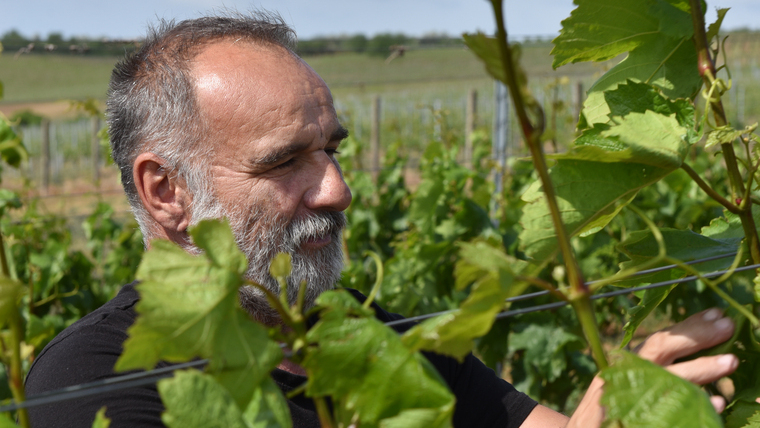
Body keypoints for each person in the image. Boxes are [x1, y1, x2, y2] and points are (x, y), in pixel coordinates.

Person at [24, 12, 740, 428]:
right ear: (165, 190)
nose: (336, 190)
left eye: (332, 150)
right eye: (285, 162)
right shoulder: (93, 384)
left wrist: (633, 396)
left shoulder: (376, 334)